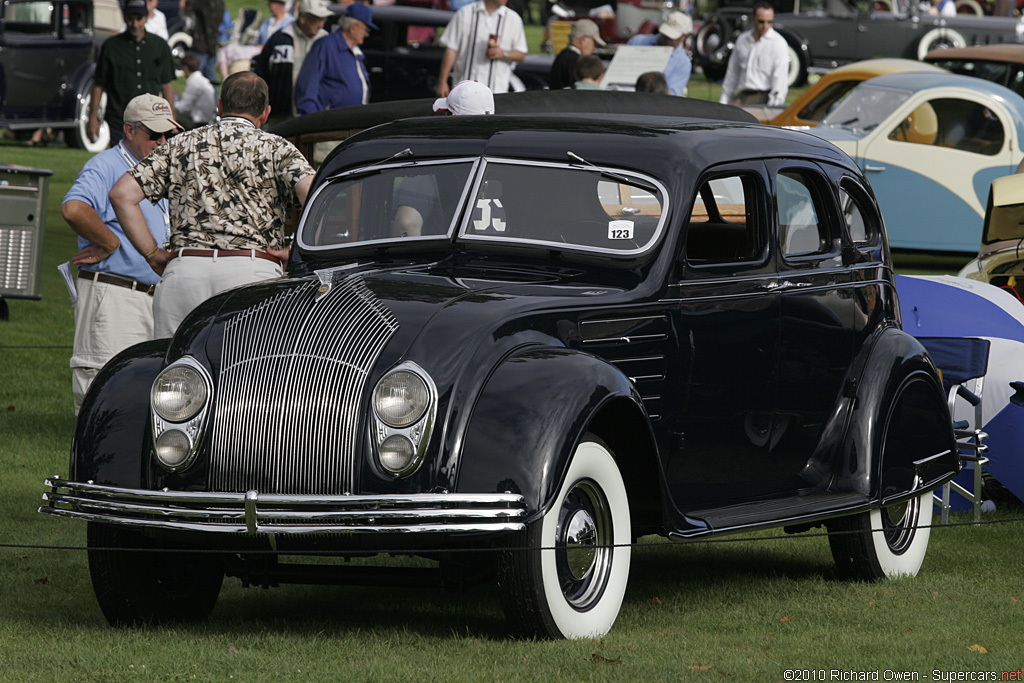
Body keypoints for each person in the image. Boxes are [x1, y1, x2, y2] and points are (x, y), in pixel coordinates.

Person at [110, 72, 316, 338]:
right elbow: (314, 194)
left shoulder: (181, 144)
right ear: (265, 113)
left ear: (219, 106)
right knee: (248, 374)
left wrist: (153, 254)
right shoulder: (278, 148)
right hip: (251, 272)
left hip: (185, 273)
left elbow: (122, 194)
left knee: (176, 372)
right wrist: (296, 250)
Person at [63, 94, 181, 413]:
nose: (163, 141)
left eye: (168, 134)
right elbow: (74, 209)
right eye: (153, 134)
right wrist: (110, 242)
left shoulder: (161, 172)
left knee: (149, 395)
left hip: (154, 296)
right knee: (106, 392)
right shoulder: (106, 165)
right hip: (115, 293)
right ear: (128, 131)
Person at [88, 0, 176, 146]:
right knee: (121, 165)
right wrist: (93, 117)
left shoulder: (159, 46)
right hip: (120, 120)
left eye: (138, 19)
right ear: (124, 18)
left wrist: (170, 120)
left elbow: (167, 85)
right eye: (130, 19)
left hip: (151, 122)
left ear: (146, 18)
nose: (135, 24)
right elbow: (98, 84)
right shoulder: (111, 46)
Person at [252, 0, 331, 125]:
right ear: (303, 18)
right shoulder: (279, 39)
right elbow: (261, 74)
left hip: (316, 115)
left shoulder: (326, 41)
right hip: (281, 116)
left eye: (323, 20)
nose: (321, 25)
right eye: (317, 20)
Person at [294, 3, 377, 113]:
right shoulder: (326, 46)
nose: (367, 34)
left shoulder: (356, 52)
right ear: (353, 27)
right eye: (366, 29)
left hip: (351, 121)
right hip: (330, 123)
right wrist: (312, 119)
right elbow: (307, 84)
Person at [436, 0, 528, 97]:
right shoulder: (465, 13)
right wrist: (443, 81)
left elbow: (521, 55)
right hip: (464, 91)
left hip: (497, 92)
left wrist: (503, 53)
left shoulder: (513, 19)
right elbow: (451, 49)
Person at [718, 1, 789, 107]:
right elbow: (732, 74)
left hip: (764, 97)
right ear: (753, 19)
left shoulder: (778, 43)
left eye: (770, 22)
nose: (765, 25)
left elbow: (780, 81)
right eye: (761, 21)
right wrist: (723, 102)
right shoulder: (742, 40)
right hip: (742, 95)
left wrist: (773, 108)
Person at [625, 11, 692, 97]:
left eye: (671, 38)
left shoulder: (683, 63)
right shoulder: (637, 41)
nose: (666, 40)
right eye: (665, 35)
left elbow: (673, 98)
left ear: (683, 37)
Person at [547, 19, 605, 90]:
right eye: (594, 43)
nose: (594, 48)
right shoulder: (575, 60)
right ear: (583, 39)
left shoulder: (564, 55)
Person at [184, 0, 226, 83]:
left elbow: (187, 5)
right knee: (210, 76)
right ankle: (213, 95)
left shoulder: (203, 2)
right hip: (212, 44)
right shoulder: (220, 3)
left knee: (195, 76)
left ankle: (194, 95)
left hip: (201, 45)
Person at [176, 53, 218, 128]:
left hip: (197, 123)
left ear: (185, 68)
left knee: (168, 115)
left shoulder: (194, 81)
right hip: (207, 120)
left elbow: (184, 108)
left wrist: (170, 104)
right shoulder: (203, 80)